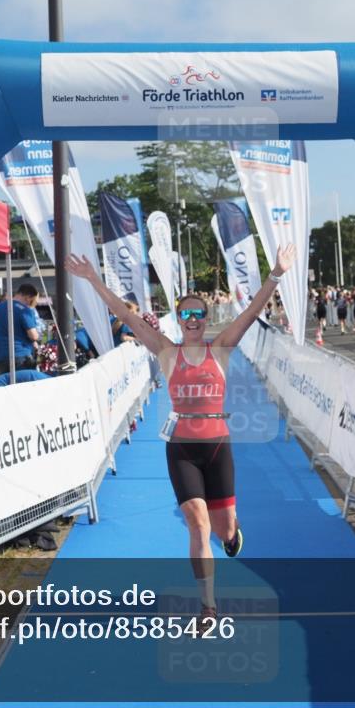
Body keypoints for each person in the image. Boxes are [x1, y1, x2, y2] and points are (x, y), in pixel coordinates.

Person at [66, 243, 296, 627]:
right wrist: (92, 279)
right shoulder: (165, 351)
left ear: (206, 319)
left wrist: (276, 273)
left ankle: (234, 531)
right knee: (198, 524)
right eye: (185, 313)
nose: (192, 319)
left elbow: (252, 311)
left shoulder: (221, 348)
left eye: (198, 314)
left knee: (222, 529)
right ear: (178, 317)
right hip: (182, 449)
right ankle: (208, 606)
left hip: (218, 447)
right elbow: (124, 314)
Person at [0, 284, 40, 374]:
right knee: (24, 385)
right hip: (20, 355)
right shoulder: (24, 310)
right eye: (31, 301)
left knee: (6, 385)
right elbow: (33, 336)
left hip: (1, 355)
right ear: (28, 297)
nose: (30, 304)